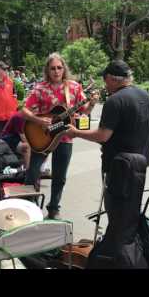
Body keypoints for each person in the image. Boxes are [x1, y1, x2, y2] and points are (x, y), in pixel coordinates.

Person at [65, 59, 149, 214]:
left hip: (119, 165)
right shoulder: (144, 95)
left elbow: (103, 135)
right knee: (132, 209)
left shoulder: (115, 100)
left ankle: (117, 238)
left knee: (116, 211)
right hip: (141, 162)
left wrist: (76, 132)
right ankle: (127, 237)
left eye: (105, 81)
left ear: (112, 78)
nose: (105, 85)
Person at [21, 53, 98, 220]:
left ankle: (54, 208)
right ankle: (30, 207)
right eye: (53, 68)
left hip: (64, 137)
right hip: (42, 136)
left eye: (59, 68)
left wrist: (91, 104)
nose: (56, 71)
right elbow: (24, 110)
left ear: (64, 69)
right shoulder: (40, 88)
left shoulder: (74, 87)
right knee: (32, 173)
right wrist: (39, 121)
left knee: (60, 176)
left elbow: (83, 112)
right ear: (47, 70)